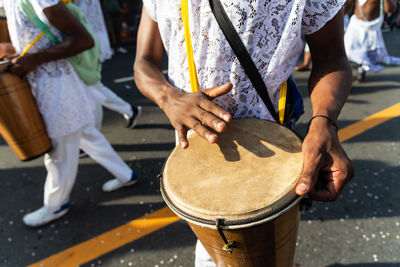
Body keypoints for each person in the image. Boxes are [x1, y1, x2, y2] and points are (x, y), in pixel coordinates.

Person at [134, 0, 354, 265]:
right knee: (212, 246)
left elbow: (332, 57)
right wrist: (168, 97)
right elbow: (144, 62)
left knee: (267, 254)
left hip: (273, 156)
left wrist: (324, 123)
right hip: (195, 154)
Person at [3, 0, 139, 227]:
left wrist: (34, 59)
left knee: (58, 155)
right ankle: (126, 175)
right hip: (55, 87)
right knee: (88, 136)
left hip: (58, 90)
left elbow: (83, 39)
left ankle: (55, 205)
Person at [73, 0, 142, 130]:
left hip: (86, 41)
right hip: (89, 37)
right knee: (92, 88)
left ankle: (96, 133)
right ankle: (128, 111)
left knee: (92, 86)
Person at [344, 0, 400, 81]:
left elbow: (390, 10)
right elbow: (348, 4)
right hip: (355, 26)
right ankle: (349, 73)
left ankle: (361, 69)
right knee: (347, 51)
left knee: (367, 52)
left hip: (372, 29)